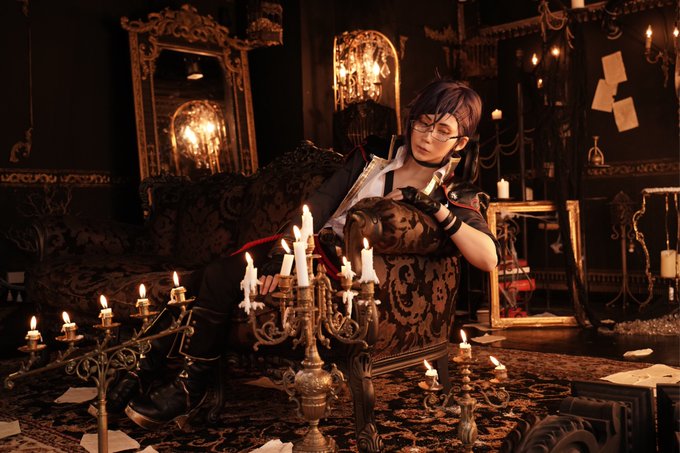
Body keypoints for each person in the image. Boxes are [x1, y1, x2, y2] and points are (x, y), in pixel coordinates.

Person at [120, 78, 499, 430]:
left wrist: (433, 207)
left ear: (460, 143)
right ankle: (154, 374)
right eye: (423, 123)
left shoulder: (451, 191)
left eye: (443, 130)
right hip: (307, 248)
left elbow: (488, 258)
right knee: (211, 275)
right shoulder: (375, 153)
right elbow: (319, 204)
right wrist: (280, 257)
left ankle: (169, 381)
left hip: (347, 273)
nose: (428, 136)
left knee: (215, 278)